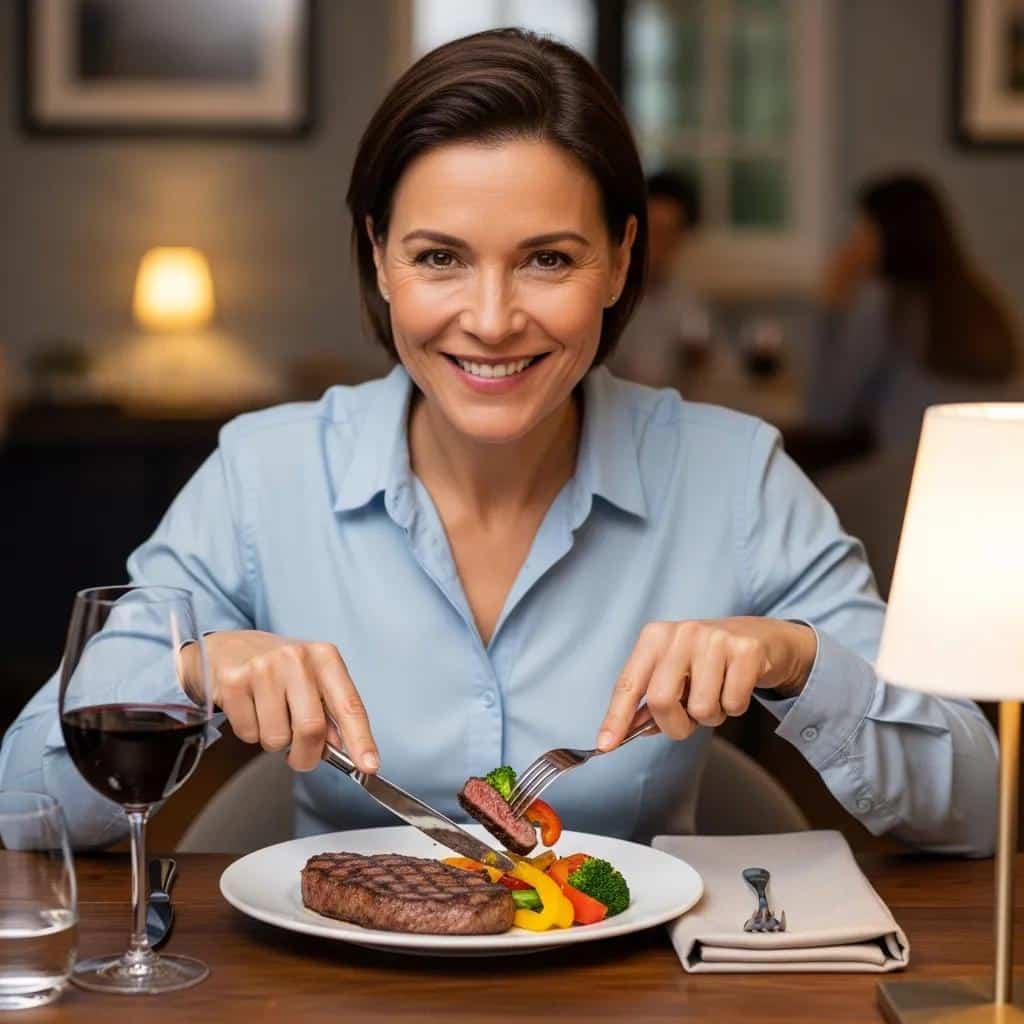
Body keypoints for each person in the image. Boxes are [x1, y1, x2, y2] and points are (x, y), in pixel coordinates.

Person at [0, 31, 996, 855]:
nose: (490, 318)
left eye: (547, 260)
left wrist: (794, 656)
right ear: (379, 259)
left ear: (618, 263)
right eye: (439, 257)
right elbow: (18, 803)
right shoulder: (265, 472)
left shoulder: (736, 475)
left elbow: (974, 805)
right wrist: (189, 671)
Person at [808, 173, 1019, 448]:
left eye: (862, 230)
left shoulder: (886, 305)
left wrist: (832, 307)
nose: (852, 242)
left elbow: (825, 414)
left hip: (907, 474)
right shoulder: (984, 302)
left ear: (887, 234)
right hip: (993, 467)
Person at [610, 171, 713, 387]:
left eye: (670, 233)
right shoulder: (608, 295)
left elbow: (704, 364)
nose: (660, 245)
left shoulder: (686, 300)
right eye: (654, 231)